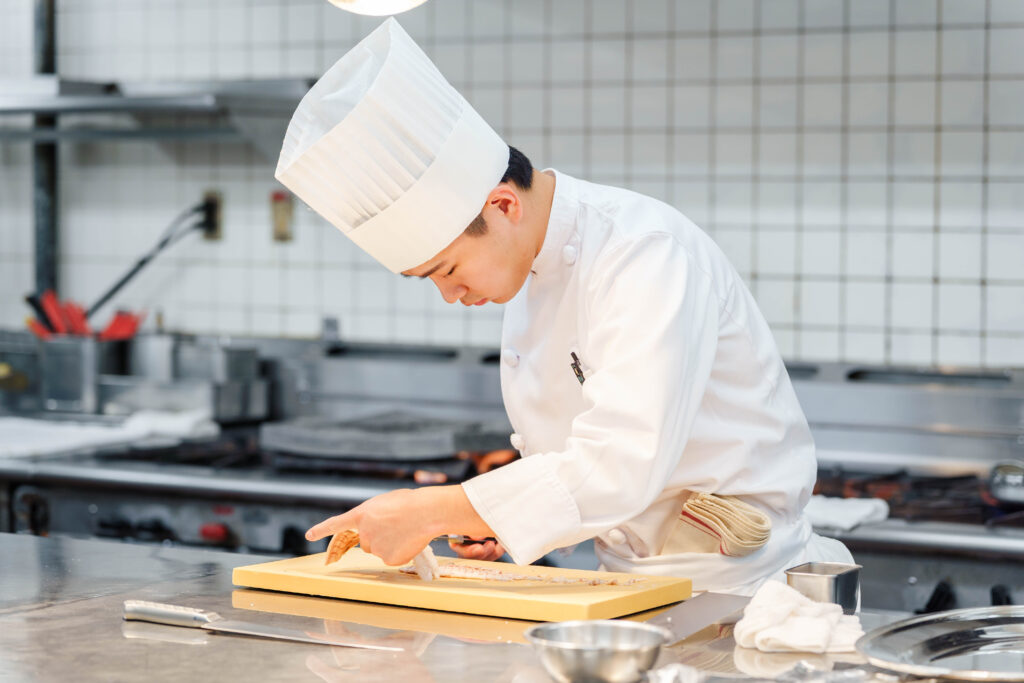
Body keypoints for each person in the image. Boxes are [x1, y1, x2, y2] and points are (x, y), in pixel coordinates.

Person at [278, 18, 853, 594]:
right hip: (632, 585)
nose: (450, 295)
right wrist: (494, 520)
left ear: (503, 205)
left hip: (745, 591)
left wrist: (435, 510)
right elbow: (578, 461)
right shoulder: (531, 264)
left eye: (447, 270)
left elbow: (621, 462)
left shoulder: (643, 253)